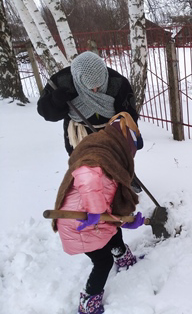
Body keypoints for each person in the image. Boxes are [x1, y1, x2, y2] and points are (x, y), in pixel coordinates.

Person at [52, 112, 145, 314]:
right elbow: (86, 174)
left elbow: (107, 202)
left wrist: (124, 220)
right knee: (102, 262)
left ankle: (123, 256)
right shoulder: (99, 158)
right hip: (79, 225)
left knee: (113, 233)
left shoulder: (107, 153)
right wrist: (95, 210)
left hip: (90, 220)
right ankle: (89, 302)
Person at [37, 51, 143, 192]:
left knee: (118, 159)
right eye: (89, 87)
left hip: (110, 130)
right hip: (79, 132)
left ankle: (125, 180)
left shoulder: (117, 82)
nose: (94, 90)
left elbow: (128, 113)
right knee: (84, 165)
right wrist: (55, 101)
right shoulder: (62, 81)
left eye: (99, 87)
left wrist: (132, 135)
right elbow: (45, 112)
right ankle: (91, 191)